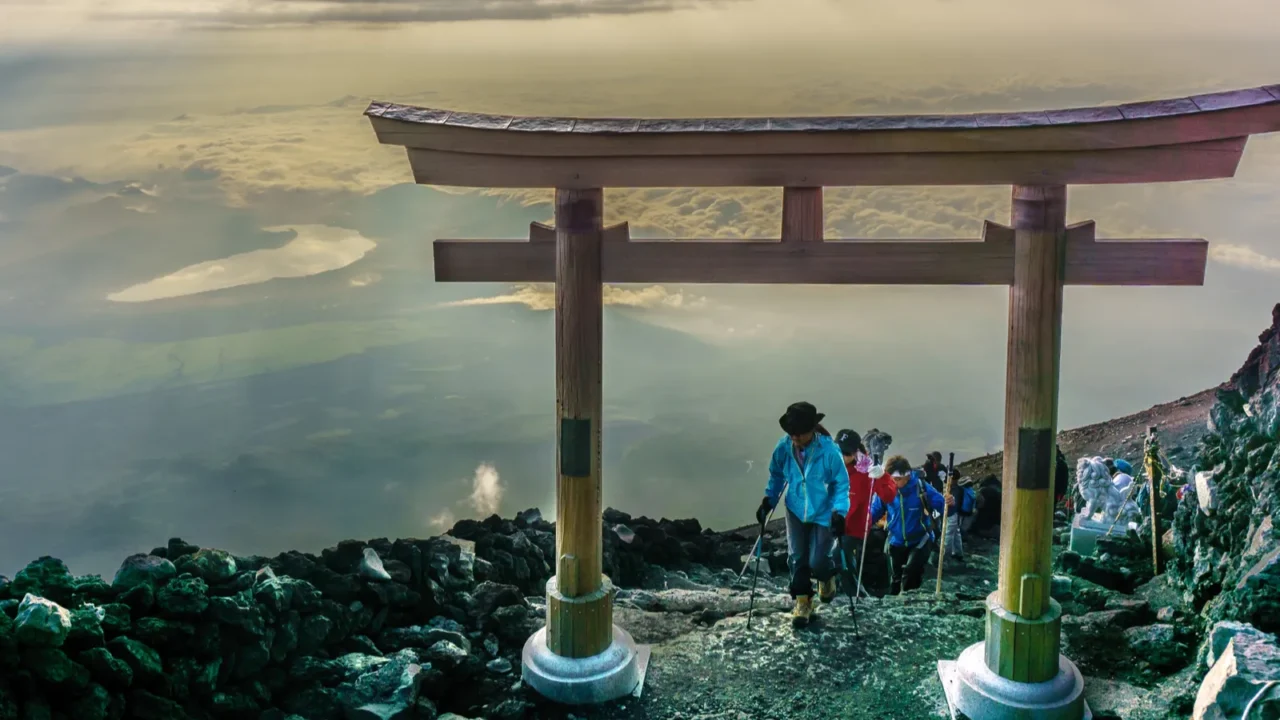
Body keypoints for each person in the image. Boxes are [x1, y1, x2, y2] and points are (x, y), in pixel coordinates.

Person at [758, 402, 850, 628]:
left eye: (799, 433)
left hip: (823, 511)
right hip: (795, 509)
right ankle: (803, 602)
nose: (795, 437)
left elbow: (841, 484)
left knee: (818, 560)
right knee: (797, 557)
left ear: (811, 429)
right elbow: (776, 475)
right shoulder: (784, 448)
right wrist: (769, 499)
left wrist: (839, 512)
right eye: (791, 433)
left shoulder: (829, 452)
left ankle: (825, 577)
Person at [869, 455, 952, 594]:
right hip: (895, 540)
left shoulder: (921, 488)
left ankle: (908, 601)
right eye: (891, 479)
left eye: (897, 479)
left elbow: (944, 507)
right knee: (895, 579)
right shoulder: (886, 490)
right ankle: (895, 603)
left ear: (907, 476)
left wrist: (949, 502)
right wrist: (861, 525)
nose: (893, 483)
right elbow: (874, 511)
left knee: (911, 575)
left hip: (920, 540)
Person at [833, 429, 898, 599]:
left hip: (854, 526)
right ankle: (834, 590)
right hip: (831, 522)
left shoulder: (867, 468)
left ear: (856, 452)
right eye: (839, 451)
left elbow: (888, 495)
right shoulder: (829, 463)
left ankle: (857, 596)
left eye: (847, 453)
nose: (842, 456)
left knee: (839, 555)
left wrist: (882, 476)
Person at [942, 468, 975, 563]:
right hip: (957, 515)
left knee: (948, 535)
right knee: (956, 533)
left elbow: (953, 504)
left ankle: (946, 556)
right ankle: (959, 553)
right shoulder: (959, 489)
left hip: (952, 515)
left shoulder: (954, 490)